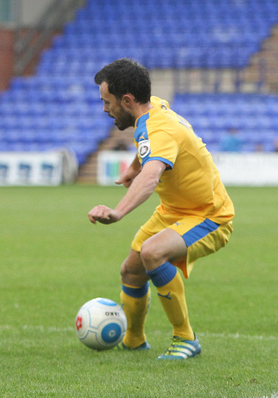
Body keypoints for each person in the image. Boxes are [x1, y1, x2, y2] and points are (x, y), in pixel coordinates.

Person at [88, 59, 234, 360]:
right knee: (131, 270)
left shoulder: (159, 129)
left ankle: (186, 338)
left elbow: (152, 175)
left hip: (209, 215)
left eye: (107, 102)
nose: (105, 109)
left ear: (127, 100)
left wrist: (118, 211)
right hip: (175, 210)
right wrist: (133, 167)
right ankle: (134, 339)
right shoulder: (153, 107)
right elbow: (150, 152)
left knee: (152, 252)